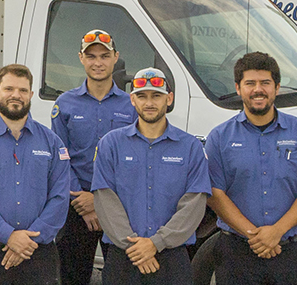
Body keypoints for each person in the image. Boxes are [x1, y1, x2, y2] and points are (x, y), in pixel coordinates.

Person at [204, 52, 297, 285]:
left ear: (277, 87)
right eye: (250, 83)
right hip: (237, 253)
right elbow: (214, 194)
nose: (258, 90)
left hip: (292, 254)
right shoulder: (219, 137)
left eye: (265, 83)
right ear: (238, 88)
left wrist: (276, 232)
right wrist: (255, 235)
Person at [0, 64, 73, 284]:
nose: (15, 95)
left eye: (23, 90)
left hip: (38, 254)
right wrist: (9, 235)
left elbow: (59, 197)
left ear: (31, 95)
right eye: (9, 89)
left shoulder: (52, 143)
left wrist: (27, 242)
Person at [90, 68, 210, 284]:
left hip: (172, 258)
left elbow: (194, 203)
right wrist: (136, 246)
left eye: (156, 95)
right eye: (142, 96)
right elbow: (105, 199)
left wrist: (156, 242)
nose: (149, 103)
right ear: (132, 99)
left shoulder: (190, 147)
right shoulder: (111, 144)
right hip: (124, 257)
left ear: (169, 98)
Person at [49, 30, 136, 285]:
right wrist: (82, 199)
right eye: (91, 56)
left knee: (121, 277)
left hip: (118, 206)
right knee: (72, 276)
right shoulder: (64, 104)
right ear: (80, 58)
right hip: (77, 207)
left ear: (115, 57)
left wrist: (100, 201)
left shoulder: (131, 105)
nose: (98, 62)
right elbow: (60, 158)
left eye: (104, 56)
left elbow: (134, 160)